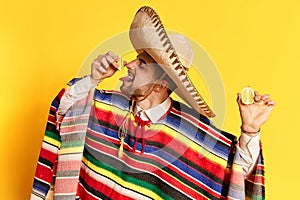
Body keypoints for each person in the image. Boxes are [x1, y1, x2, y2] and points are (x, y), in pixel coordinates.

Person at [31, 6, 275, 200]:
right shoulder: (104, 107)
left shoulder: (191, 134)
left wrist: (250, 131)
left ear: (161, 83)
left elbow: (237, 175)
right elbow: (63, 111)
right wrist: (93, 78)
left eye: (142, 63)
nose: (129, 64)